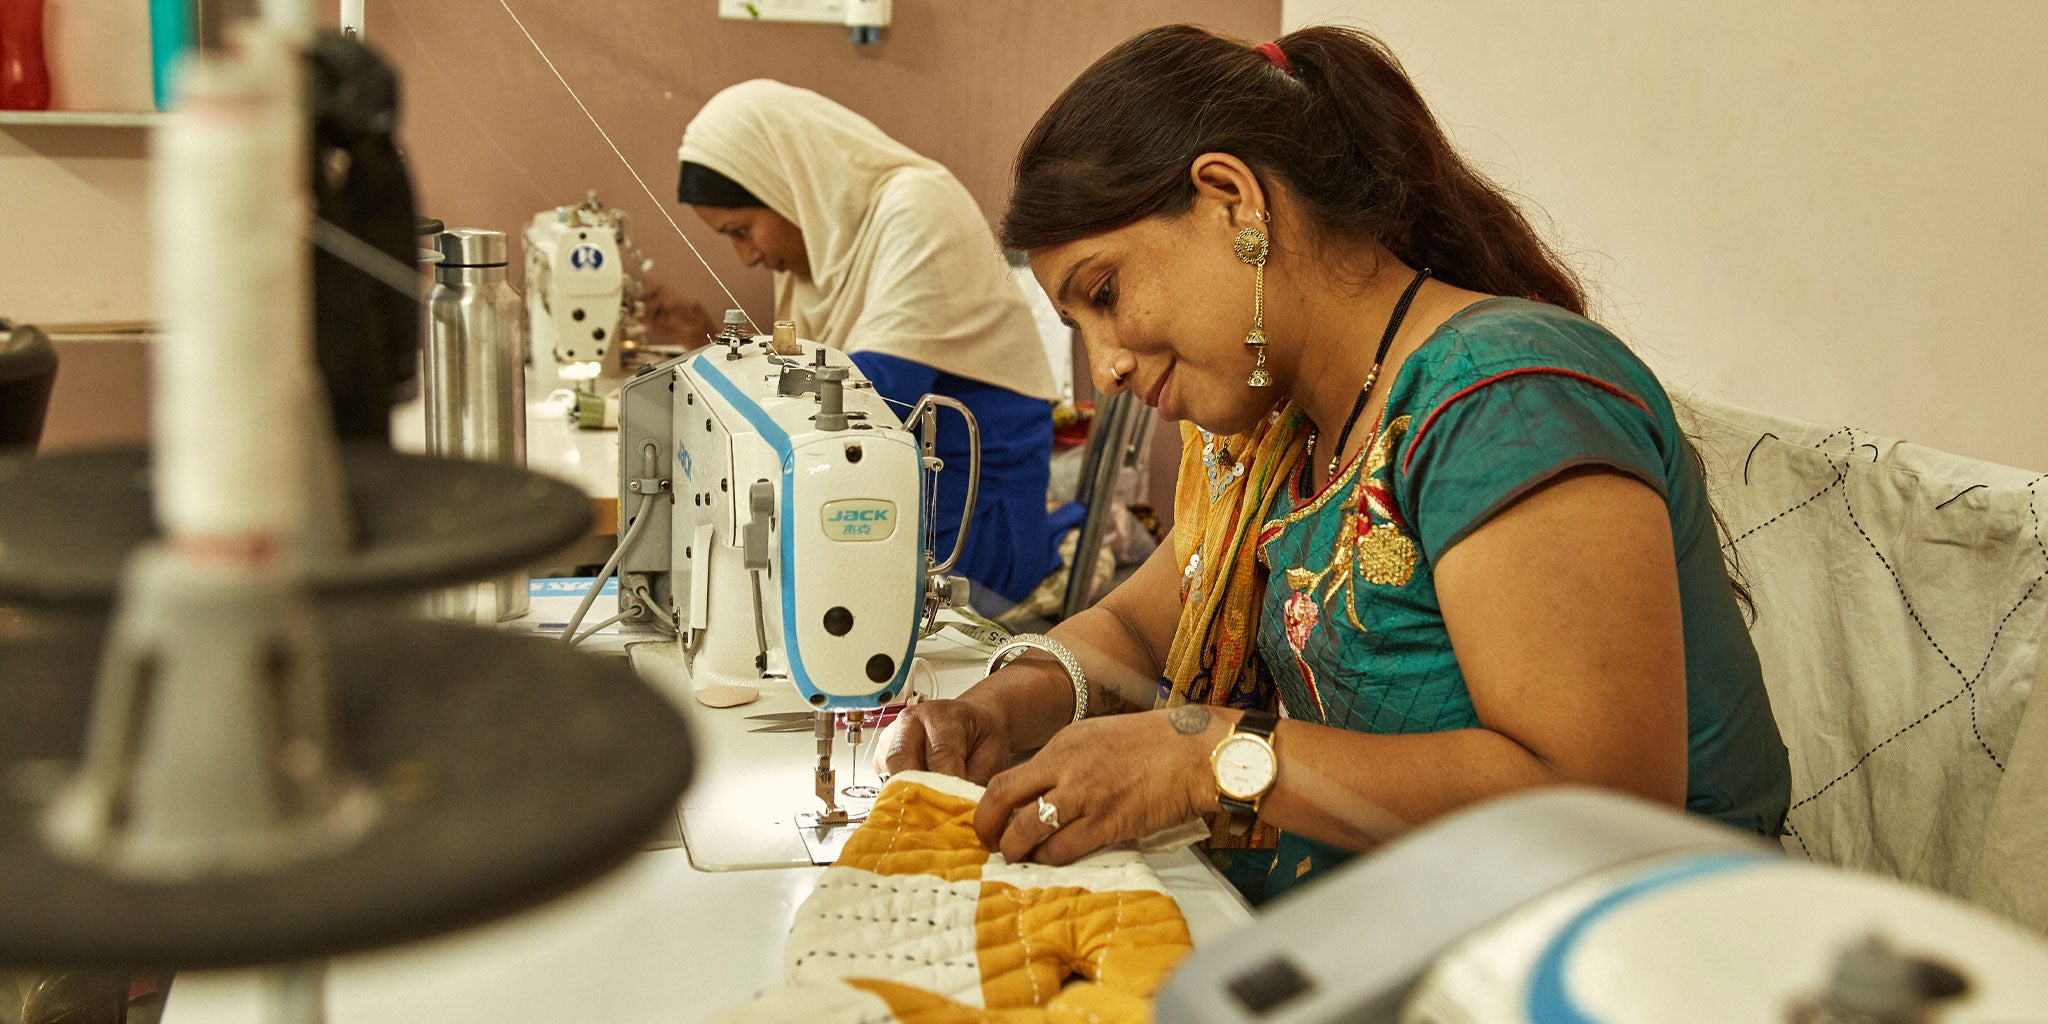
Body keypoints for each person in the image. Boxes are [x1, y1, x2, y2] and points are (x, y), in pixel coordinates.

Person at [879, 25, 1791, 904]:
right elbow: (1139, 632)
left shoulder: (1506, 399)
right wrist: (1003, 705)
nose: (1105, 365)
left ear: (1233, 200)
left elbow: (1599, 803)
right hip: (1398, 928)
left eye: (1105, 294)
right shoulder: (1292, 432)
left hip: (1614, 963)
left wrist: (1205, 755)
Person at [673, 79, 1063, 609]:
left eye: (742, 231)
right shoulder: (825, 249)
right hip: (885, 503)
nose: (745, 258)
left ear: (789, 182)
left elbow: (854, 406)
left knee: (755, 595)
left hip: (965, 533)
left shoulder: (917, 209)